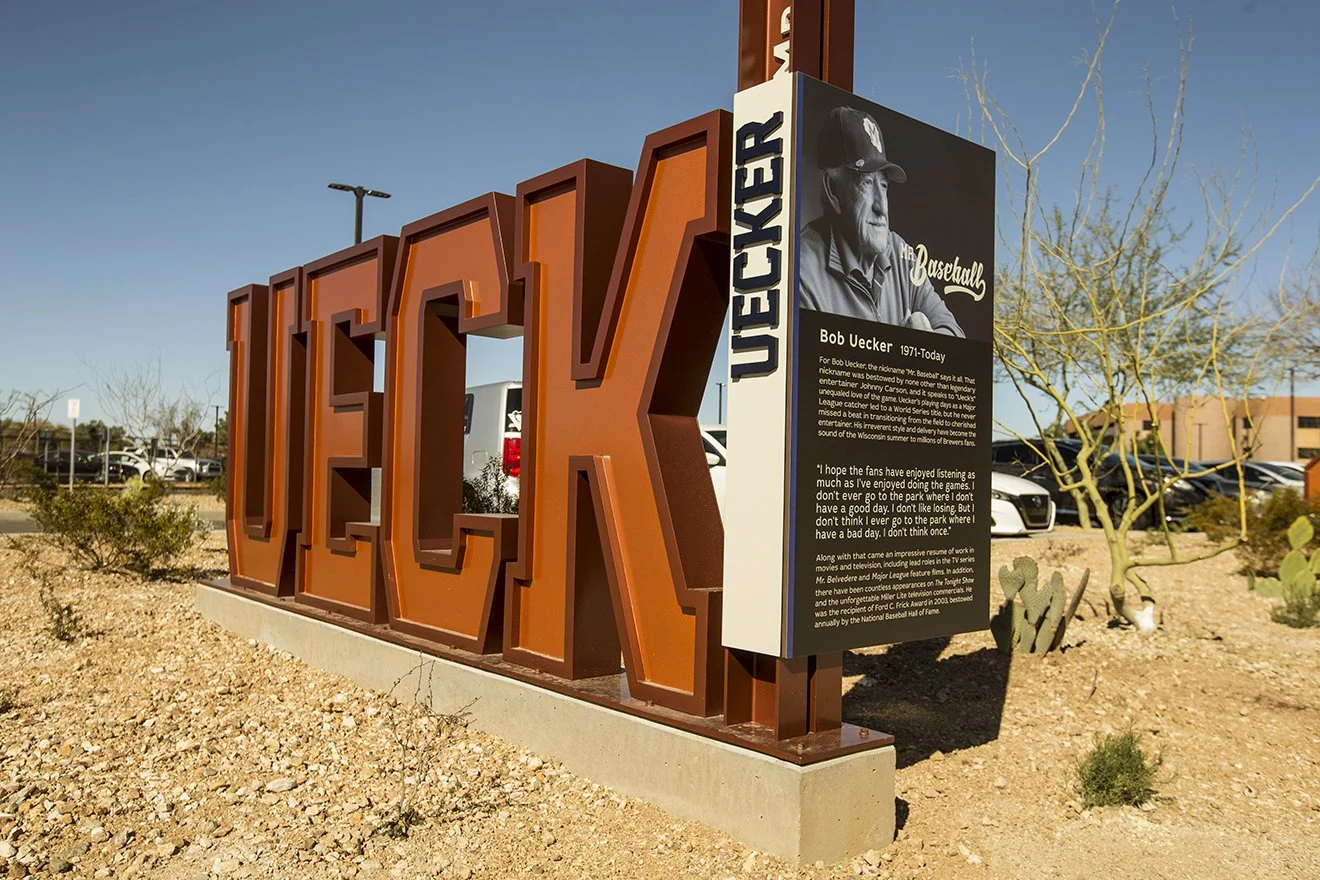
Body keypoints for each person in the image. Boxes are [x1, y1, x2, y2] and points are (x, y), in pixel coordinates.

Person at [799, 106, 964, 336]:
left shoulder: (900, 253)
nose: (882, 207)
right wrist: (911, 347)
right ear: (833, 189)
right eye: (866, 183)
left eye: (883, 185)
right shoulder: (802, 270)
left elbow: (955, 338)